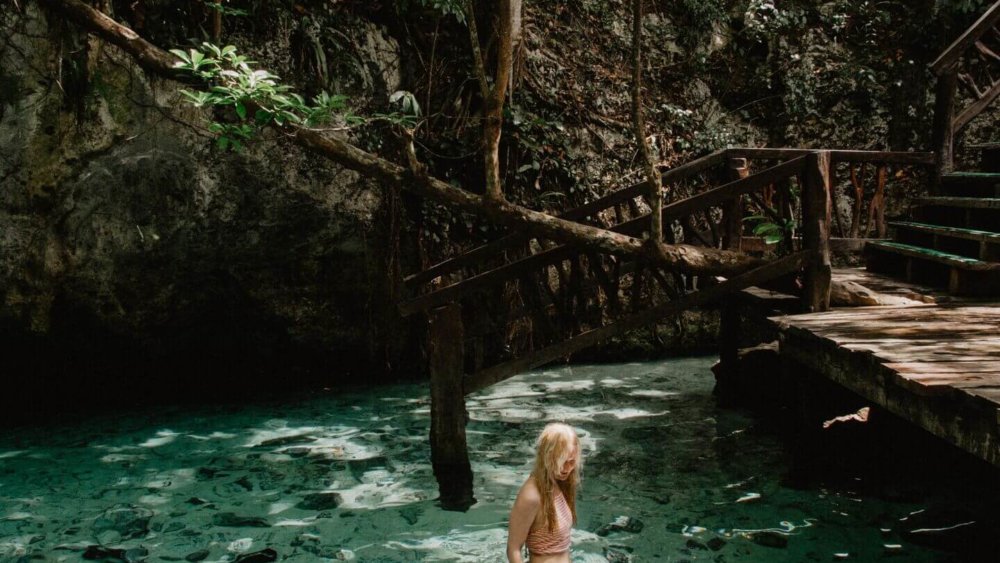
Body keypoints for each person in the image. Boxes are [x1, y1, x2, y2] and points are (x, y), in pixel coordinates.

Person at [506, 422, 581, 563]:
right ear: (546, 456)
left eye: (571, 462)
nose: (566, 468)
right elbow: (513, 549)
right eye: (561, 461)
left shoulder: (558, 483)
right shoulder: (531, 496)